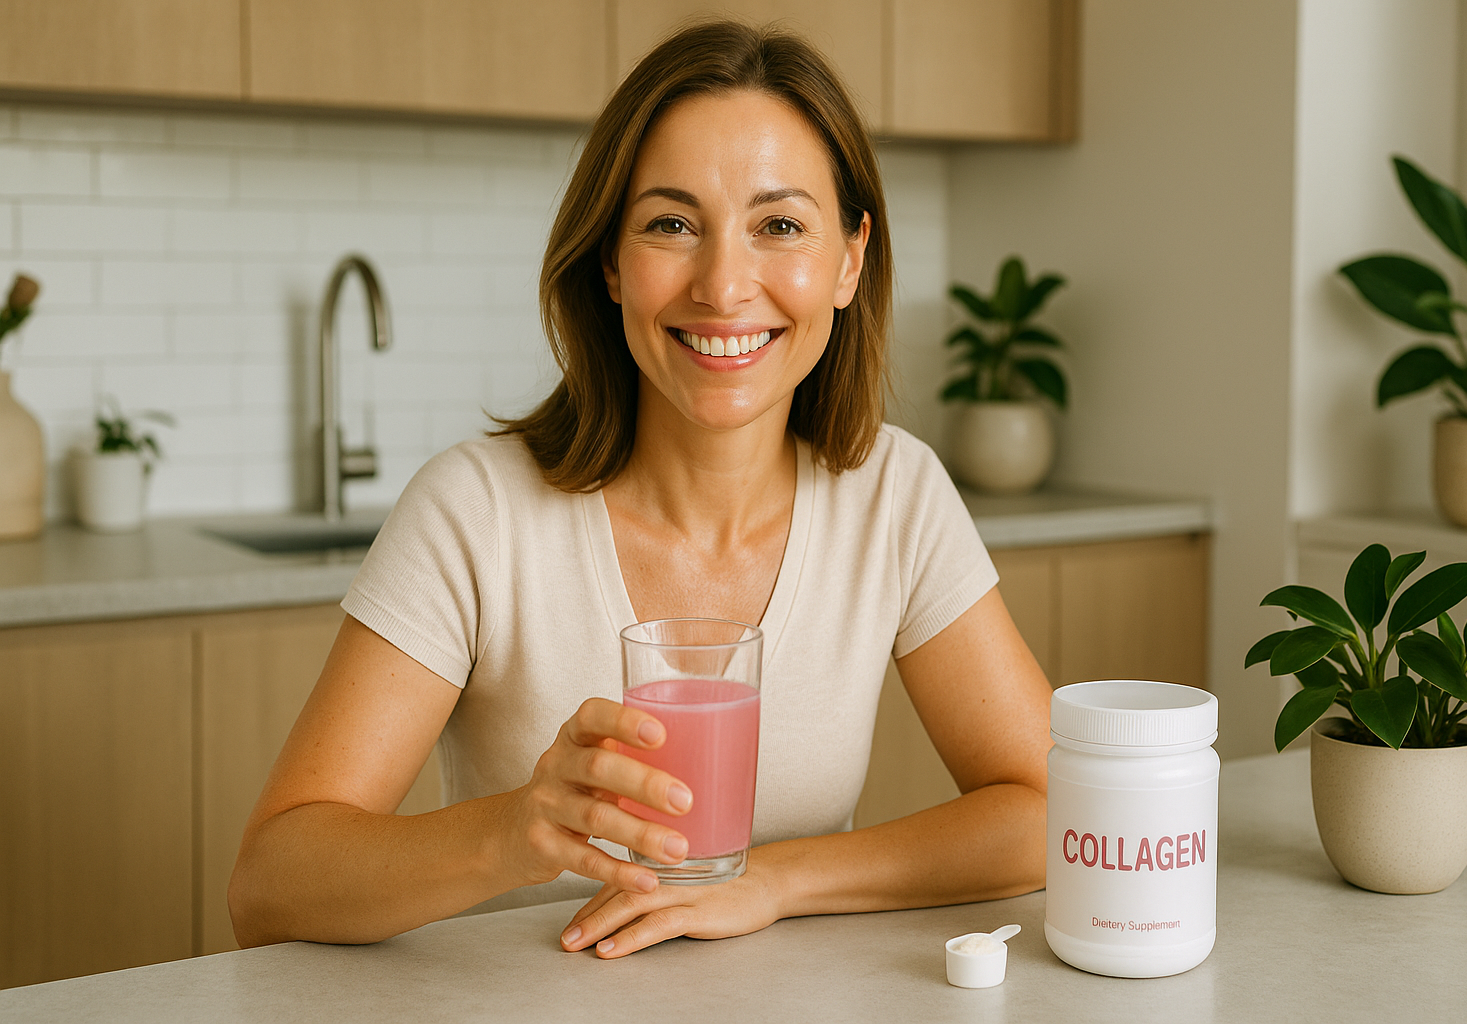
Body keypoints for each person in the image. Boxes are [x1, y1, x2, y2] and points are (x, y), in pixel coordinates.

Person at [228, 20, 1052, 959]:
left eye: (779, 225)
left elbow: (1047, 808)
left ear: (849, 262)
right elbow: (269, 884)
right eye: (671, 224)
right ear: (612, 262)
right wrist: (512, 833)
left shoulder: (893, 496)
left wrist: (774, 881)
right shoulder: (476, 513)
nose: (724, 284)